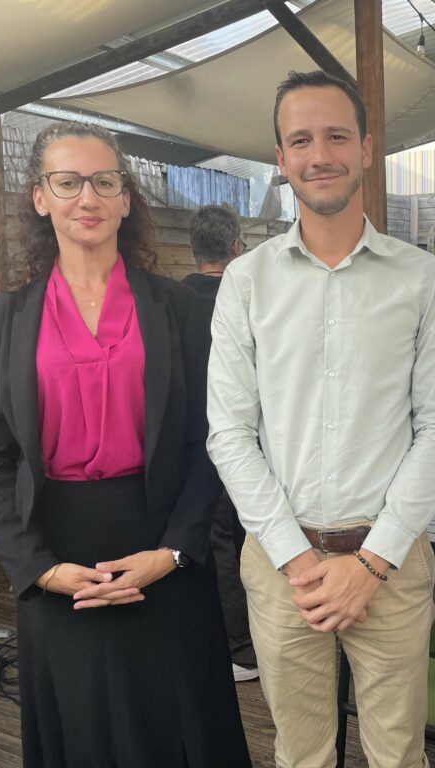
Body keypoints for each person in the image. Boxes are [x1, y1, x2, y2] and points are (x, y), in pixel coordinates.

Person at [0, 122, 251, 768]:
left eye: (103, 181)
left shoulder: (179, 310)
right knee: (82, 737)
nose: (85, 197)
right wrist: (37, 568)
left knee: (179, 735)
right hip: (57, 558)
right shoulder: (4, 321)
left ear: (126, 199)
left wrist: (175, 551)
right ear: (40, 198)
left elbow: (216, 437)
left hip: (163, 556)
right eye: (66, 182)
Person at [207, 70, 435, 768]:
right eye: (301, 140)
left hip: (392, 562)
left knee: (398, 756)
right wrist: (297, 558)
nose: (320, 154)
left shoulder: (420, 278)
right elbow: (229, 433)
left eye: (336, 136)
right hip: (282, 565)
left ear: (367, 147)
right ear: (282, 158)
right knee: (302, 755)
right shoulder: (245, 281)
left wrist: (369, 563)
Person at [182, 203, 259, 682]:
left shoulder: (171, 301)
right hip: (248, 441)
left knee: (214, 542)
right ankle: (246, 649)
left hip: (190, 443)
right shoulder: (250, 296)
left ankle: (232, 641)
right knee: (248, 537)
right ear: (235, 248)